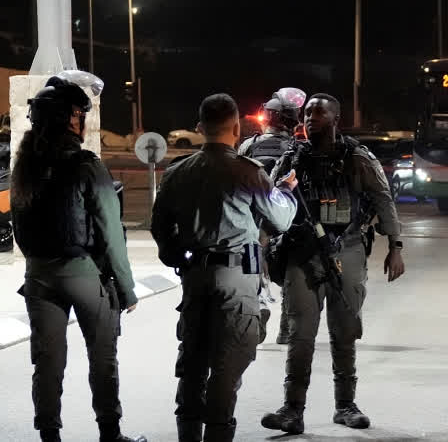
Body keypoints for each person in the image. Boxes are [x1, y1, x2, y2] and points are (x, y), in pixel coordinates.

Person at [151, 93, 298, 442]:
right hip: (236, 279)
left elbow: (160, 227)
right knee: (228, 363)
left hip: (195, 276)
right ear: (235, 127)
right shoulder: (248, 172)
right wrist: (287, 192)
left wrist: (178, 259)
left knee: (193, 361)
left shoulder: (177, 171)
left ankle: (187, 432)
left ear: (200, 128)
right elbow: (279, 220)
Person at [11, 76, 146, 442]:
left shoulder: (25, 167)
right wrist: (128, 288)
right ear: (72, 118)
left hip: (39, 278)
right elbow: (111, 233)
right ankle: (109, 433)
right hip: (83, 275)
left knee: (47, 361)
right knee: (102, 357)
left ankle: (49, 435)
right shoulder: (86, 164)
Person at [261, 93, 406, 434]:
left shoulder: (357, 158)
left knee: (344, 333)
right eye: (308, 113)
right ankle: (292, 409)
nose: (310, 118)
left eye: (319, 113)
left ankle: (346, 405)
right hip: (302, 253)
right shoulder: (292, 157)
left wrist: (395, 245)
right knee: (300, 336)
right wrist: (262, 248)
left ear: (335, 118)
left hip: (348, 249)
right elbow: (269, 205)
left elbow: (383, 200)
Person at [239, 86, 307, 344]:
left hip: (255, 221)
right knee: (291, 272)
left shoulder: (248, 145)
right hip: (288, 216)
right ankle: (286, 329)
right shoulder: (298, 149)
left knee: (255, 266)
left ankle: (258, 308)